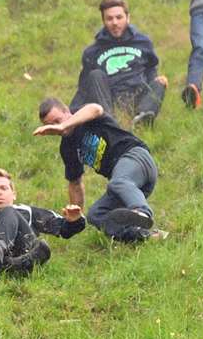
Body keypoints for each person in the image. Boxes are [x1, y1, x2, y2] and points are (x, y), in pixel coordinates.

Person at [33, 96, 161, 243]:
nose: (56, 128)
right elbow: (75, 184)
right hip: (130, 187)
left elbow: (95, 108)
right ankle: (145, 236)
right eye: (51, 127)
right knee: (96, 215)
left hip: (136, 158)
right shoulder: (67, 147)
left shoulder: (85, 116)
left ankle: (143, 213)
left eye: (57, 121)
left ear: (67, 111)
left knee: (117, 182)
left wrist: (63, 125)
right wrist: (75, 217)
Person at [0, 169, 86, 275]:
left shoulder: (27, 211)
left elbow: (62, 229)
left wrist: (75, 221)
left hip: (23, 251)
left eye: (3, 188)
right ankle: (12, 266)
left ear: (13, 194)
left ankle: (1, 251)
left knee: (9, 212)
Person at [78, 0, 167, 128]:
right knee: (95, 74)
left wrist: (154, 87)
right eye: (109, 18)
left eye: (119, 17)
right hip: (111, 96)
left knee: (161, 81)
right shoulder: (92, 52)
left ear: (128, 18)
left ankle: (142, 118)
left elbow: (151, 69)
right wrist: (73, 114)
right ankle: (109, 122)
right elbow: (84, 86)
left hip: (138, 92)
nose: (115, 22)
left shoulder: (143, 42)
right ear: (103, 21)